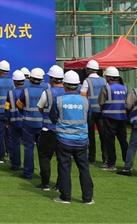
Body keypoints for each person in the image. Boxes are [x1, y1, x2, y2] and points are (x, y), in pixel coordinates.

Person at [49, 71, 94, 204]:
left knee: (64, 168)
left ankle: (65, 197)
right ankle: (87, 198)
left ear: (65, 85)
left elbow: (53, 117)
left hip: (64, 140)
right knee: (84, 169)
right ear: (78, 85)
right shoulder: (85, 101)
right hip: (81, 140)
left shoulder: (59, 100)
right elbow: (88, 117)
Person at [35, 65, 65, 191]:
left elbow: (40, 108)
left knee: (45, 157)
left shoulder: (47, 92)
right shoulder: (68, 92)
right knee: (62, 159)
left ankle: (45, 183)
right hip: (64, 131)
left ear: (51, 78)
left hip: (48, 130)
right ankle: (60, 184)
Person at [16, 67, 45, 180]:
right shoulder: (46, 90)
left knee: (28, 149)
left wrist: (25, 114)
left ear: (30, 79)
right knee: (42, 151)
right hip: (42, 124)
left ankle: (28, 173)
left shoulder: (25, 91)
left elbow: (20, 106)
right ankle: (44, 174)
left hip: (28, 124)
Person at [98, 66, 128, 171]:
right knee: (123, 140)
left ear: (109, 77)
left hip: (109, 117)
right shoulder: (124, 88)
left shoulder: (106, 88)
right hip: (122, 117)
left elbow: (101, 102)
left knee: (110, 140)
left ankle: (111, 163)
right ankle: (128, 162)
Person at [80, 59, 107, 164]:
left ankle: (92, 158)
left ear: (89, 70)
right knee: (103, 136)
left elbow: (82, 96)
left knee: (91, 135)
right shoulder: (103, 81)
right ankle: (105, 158)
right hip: (102, 111)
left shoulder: (87, 81)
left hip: (91, 112)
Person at [6, 70, 25, 172]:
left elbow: (7, 108)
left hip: (14, 121)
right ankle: (27, 166)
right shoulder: (27, 92)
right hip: (26, 122)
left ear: (14, 81)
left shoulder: (10, 93)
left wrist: (7, 121)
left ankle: (15, 164)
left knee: (15, 144)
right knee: (27, 146)